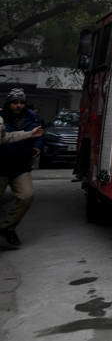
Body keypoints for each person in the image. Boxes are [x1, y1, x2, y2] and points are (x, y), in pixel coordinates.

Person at [0, 88, 44, 248]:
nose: (18, 105)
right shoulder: (1, 118)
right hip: (1, 165)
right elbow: (5, 138)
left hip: (21, 166)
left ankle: (6, 228)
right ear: (8, 103)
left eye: (21, 102)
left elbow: (38, 134)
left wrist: (37, 147)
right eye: (15, 102)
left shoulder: (32, 117)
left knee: (27, 196)